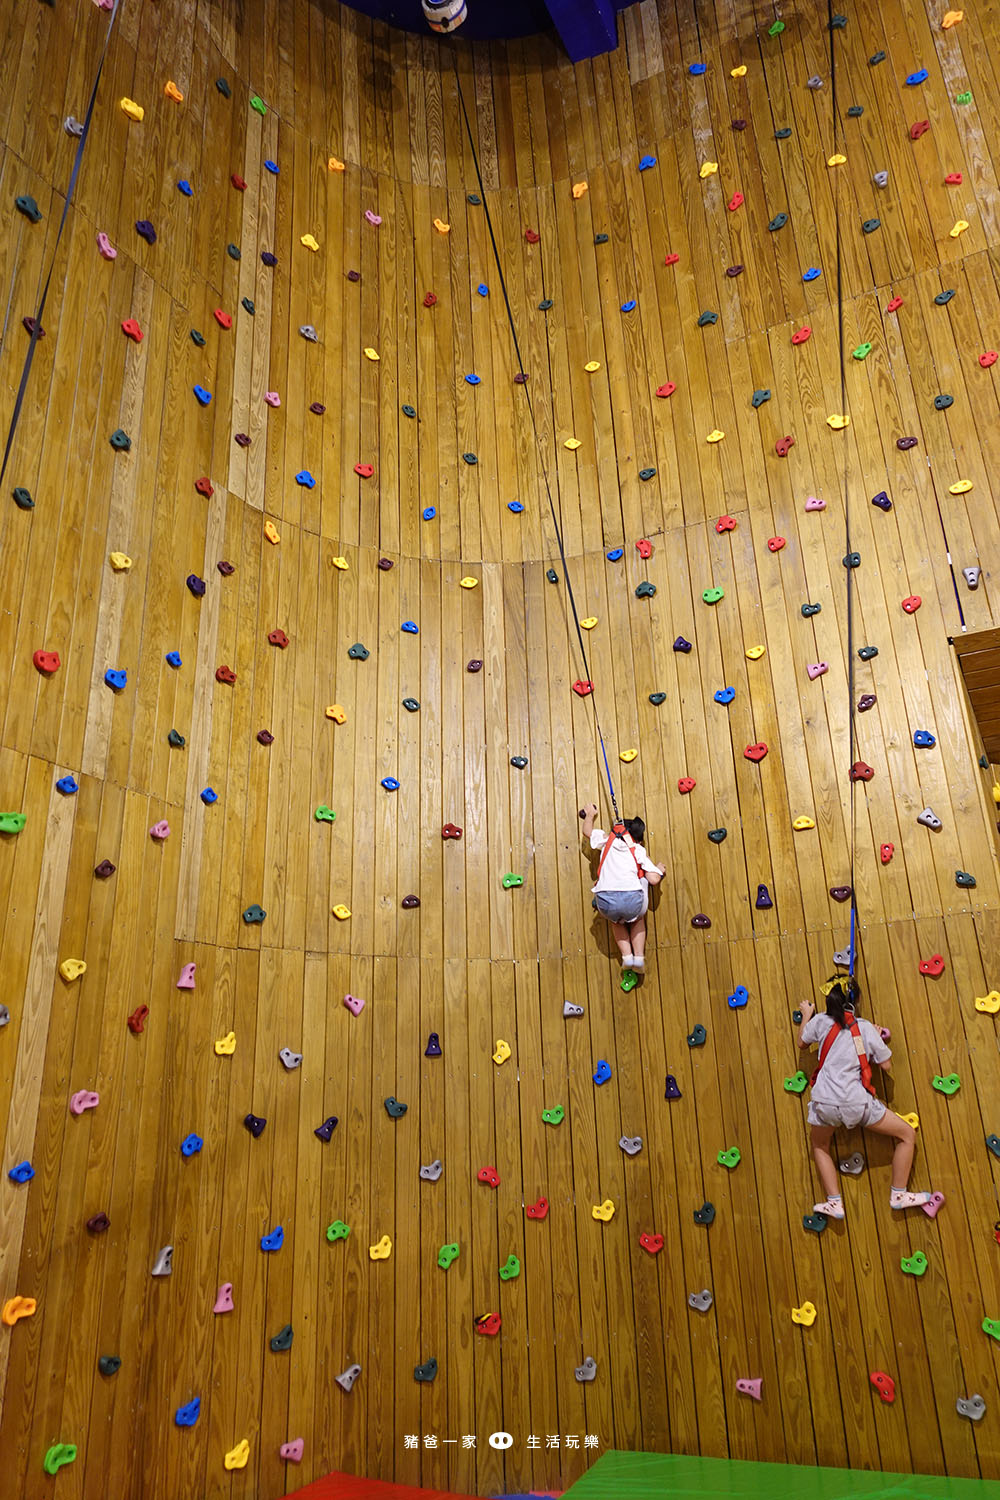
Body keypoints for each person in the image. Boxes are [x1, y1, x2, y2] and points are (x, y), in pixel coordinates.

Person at [798, 975, 931, 1218]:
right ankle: (899, 1193)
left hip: (825, 1102)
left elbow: (802, 1042)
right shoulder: (865, 1028)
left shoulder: (819, 1023)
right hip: (856, 1102)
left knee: (819, 1144)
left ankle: (834, 1201)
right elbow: (887, 1065)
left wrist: (807, 1012)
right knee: (907, 1135)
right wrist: (876, 1035)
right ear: (855, 1002)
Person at [580, 804, 664, 969]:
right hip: (632, 901)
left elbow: (587, 832)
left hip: (606, 900)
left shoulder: (606, 840)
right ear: (637, 839)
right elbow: (653, 879)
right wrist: (659, 870)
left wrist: (590, 815)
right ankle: (638, 958)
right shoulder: (638, 849)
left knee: (616, 922)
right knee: (638, 919)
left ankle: (627, 957)